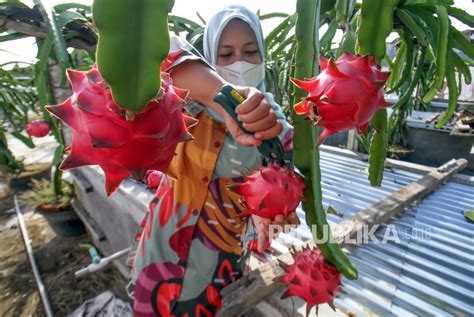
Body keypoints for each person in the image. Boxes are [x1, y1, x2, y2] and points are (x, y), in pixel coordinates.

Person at [128, 5, 299, 316]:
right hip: (160, 251)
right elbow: (153, 48)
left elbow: (283, 187)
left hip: (217, 264)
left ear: (263, 56)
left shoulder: (275, 128)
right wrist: (227, 97)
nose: (240, 62)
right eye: (226, 54)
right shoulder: (183, 102)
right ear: (208, 57)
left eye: (250, 51)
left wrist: (273, 216)